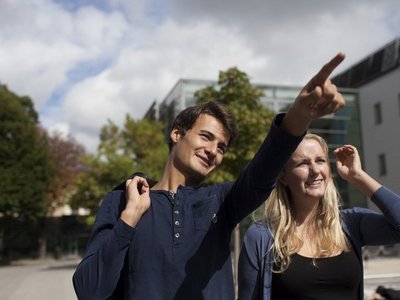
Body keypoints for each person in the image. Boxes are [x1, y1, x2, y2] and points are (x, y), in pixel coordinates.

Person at [73, 53, 346, 300]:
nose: (213, 151)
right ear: (177, 134)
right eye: (206, 136)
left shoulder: (220, 202)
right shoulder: (123, 200)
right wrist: (130, 217)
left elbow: (263, 171)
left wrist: (299, 114)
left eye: (221, 147)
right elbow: (89, 290)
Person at [238, 134, 400, 300]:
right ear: (284, 176)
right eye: (303, 163)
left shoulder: (351, 224)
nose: (315, 170)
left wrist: (357, 176)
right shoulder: (262, 236)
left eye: (320, 161)